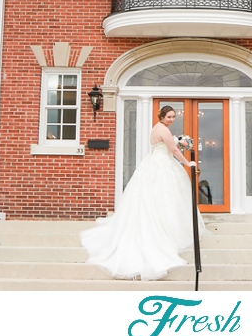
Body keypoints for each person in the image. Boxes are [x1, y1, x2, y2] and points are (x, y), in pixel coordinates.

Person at [80, 105, 201, 281]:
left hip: (153, 162)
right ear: (162, 116)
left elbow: (170, 146)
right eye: (169, 116)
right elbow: (174, 150)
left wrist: (179, 142)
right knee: (164, 196)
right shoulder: (164, 130)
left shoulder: (156, 128)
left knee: (156, 196)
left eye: (174, 116)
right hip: (162, 164)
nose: (172, 119)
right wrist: (187, 163)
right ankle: (166, 230)